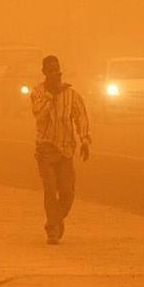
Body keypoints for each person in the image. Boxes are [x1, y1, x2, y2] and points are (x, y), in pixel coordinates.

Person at [30, 55, 91, 245]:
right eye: (50, 71)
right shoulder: (38, 92)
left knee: (67, 192)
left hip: (66, 150)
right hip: (46, 149)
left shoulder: (71, 94)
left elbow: (81, 116)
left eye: (56, 70)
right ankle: (54, 231)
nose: (54, 74)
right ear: (44, 73)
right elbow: (38, 115)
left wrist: (85, 140)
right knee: (50, 191)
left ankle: (53, 222)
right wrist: (51, 94)